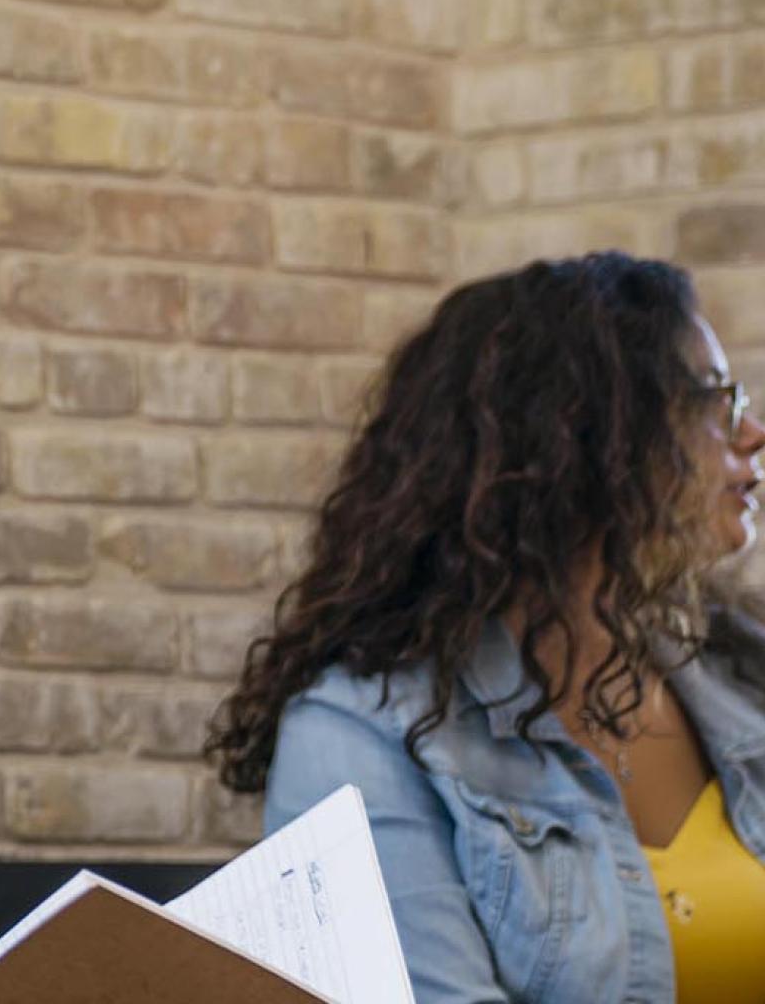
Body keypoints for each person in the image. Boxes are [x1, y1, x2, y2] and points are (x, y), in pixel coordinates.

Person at [208, 252, 765, 1003]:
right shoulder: (358, 735)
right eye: (717, 401)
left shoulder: (736, 671)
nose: (753, 433)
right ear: (590, 439)